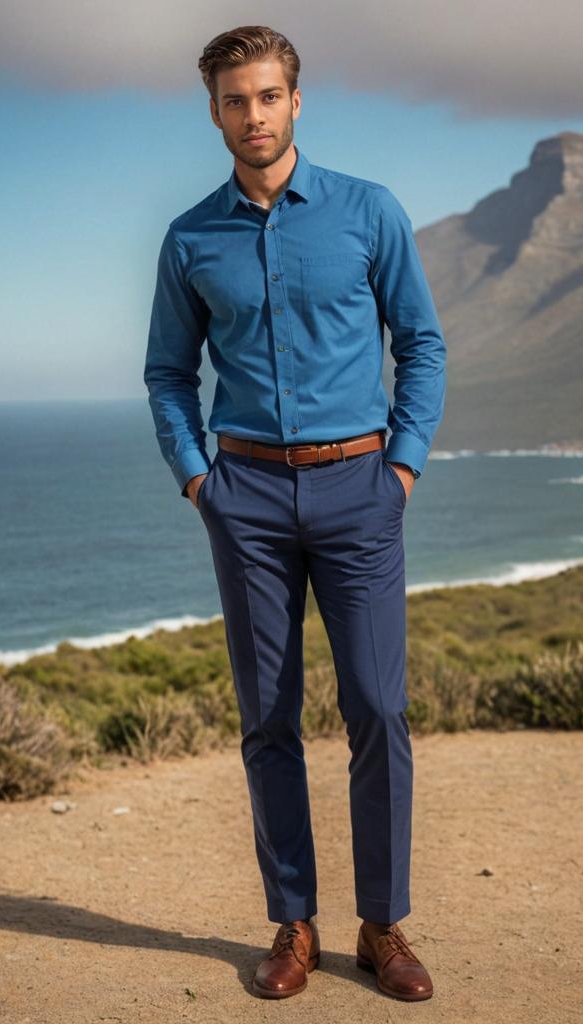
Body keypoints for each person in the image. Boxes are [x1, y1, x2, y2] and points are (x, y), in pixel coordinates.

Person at [143, 24, 446, 1002]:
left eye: (267, 96)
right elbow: (165, 372)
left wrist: (398, 467)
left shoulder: (367, 212)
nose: (252, 115)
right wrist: (201, 483)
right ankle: (294, 925)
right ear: (214, 111)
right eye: (234, 100)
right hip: (249, 499)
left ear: (295, 101)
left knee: (377, 705)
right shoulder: (192, 237)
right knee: (267, 718)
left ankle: (382, 925)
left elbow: (423, 343)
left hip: (360, 489)